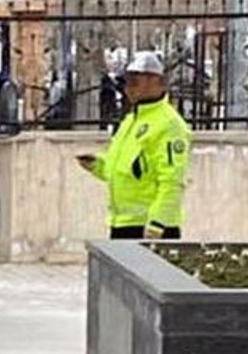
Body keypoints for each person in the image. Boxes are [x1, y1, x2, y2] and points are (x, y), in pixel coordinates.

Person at [77, 51, 192, 239]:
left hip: (150, 227)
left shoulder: (169, 124)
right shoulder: (131, 120)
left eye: (134, 82)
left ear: (155, 81)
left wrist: (158, 223)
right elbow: (128, 170)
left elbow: (172, 180)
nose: (128, 89)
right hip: (123, 223)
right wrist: (98, 165)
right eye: (126, 83)